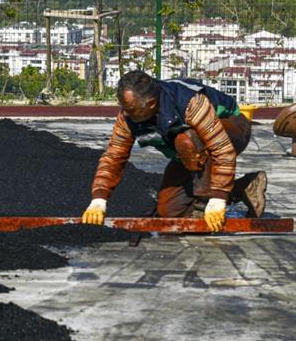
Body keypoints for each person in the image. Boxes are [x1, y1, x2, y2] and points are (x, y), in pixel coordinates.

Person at [81, 70, 267, 232]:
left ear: (151, 104)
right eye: (124, 109)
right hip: (188, 154)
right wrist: (99, 199)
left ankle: (204, 203)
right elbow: (114, 156)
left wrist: (217, 199)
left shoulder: (190, 103)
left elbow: (222, 150)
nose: (126, 114)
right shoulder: (129, 117)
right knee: (169, 211)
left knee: (189, 139)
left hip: (233, 130)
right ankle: (244, 186)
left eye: (131, 110)